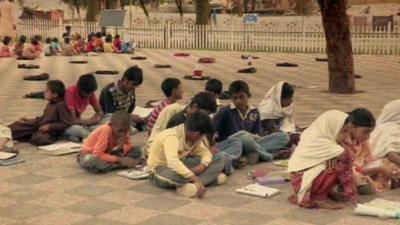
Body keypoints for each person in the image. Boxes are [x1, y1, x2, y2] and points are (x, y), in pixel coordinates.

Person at [288, 109, 376, 209]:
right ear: (332, 128)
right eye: (343, 131)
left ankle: (326, 193)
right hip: (302, 181)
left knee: (338, 163)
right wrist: (352, 194)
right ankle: (318, 198)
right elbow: (347, 167)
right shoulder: (318, 141)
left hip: (311, 178)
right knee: (336, 165)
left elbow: (349, 167)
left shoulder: (332, 142)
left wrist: (351, 195)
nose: (345, 135)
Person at [214, 80, 290, 172]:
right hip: (233, 146)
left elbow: (256, 134)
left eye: (241, 97)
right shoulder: (225, 111)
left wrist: (255, 138)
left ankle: (250, 154)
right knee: (243, 136)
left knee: (283, 136)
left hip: (251, 144)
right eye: (235, 98)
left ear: (249, 96)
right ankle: (269, 156)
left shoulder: (254, 112)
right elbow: (213, 132)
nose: (238, 101)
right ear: (230, 98)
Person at [147, 111, 227, 198]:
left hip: (181, 164)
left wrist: (202, 166)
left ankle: (194, 185)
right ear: (196, 134)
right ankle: (207, 180)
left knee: (218, 158)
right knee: (176, 177)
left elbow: (205, 152)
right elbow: (172, 162)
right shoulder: (172, 137)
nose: (201, 139)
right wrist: (194, 177)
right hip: (161, 169)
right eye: (201, 136)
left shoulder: (194, 138)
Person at [8, 80, 74, 146]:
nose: (44, 92)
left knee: (40, 138)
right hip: (38, 125)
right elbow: (43, 117)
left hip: (49, 131)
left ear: (55, 94)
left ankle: (29, 134)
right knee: (17, 126)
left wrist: (50, 127)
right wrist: (29, 120)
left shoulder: (61, 105)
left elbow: (66, 123)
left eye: (47, 91)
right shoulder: (50, 103)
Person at [77, 110, 141, 173]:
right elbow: (98, 154)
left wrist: (122, 148)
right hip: (89, 154)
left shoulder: (125, 130)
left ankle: (117, 164)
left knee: (137, 150)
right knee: (92, 161)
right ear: (111, 126)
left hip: (108, 153)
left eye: (126, 130)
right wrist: (120, 159)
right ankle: (119, 165)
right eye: (120, 131)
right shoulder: (106, 130)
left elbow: (128, 145)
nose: (123, 134)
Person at [369, 100, 400, 191]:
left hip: (373, 164)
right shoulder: (391, 128)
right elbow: (391, 155)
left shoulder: (381, 126)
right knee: (391, 166)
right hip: (380, 164)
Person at [64, 74, 104, 142]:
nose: (90, 95)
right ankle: (93, 135)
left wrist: (92, 120)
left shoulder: (90, 93)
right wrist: (91, 121)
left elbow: (100, 112)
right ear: (80, 89)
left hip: (82, 124)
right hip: (67, 124)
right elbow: (73, 121)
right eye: (88, 94)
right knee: (78, 130)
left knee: (109, 117)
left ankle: (86, 133)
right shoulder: (70, 92)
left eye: (92, 93)